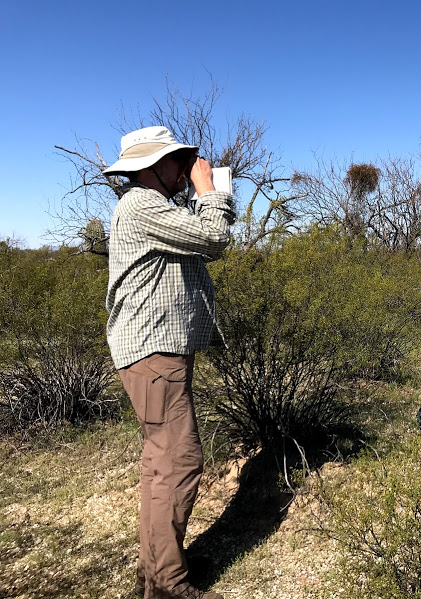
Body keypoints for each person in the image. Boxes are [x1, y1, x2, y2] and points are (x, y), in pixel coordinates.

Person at [103, 126, 235, 599]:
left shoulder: (151, 205)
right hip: (151, 352)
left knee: (160, 464)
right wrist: (209, 192)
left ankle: (155, 574)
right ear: (151, 166)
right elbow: (215, 239)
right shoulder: (141, 204)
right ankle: (168, 585)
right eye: (177, 160)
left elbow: (201, 245)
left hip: (155, 351)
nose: (184, 166)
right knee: (180, 460)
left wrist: (201, 195)